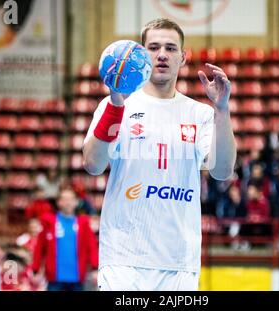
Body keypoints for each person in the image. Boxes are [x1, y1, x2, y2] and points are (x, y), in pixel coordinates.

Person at [82, 18, 236, 291]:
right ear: (142, 54)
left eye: (170, 48)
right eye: (153, 47)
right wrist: (117, 105)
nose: (162, 54)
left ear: (183, 57)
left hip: (178, 262)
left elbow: (222, 171)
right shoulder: (115, 105)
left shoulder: (200, 114)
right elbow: (93, 164)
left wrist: (222, 109)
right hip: (123, 259)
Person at [32, 187, 98, 291]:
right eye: (64, 199)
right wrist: (35, 270)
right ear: (59, 202)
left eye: (71, 199)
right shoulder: (48, 222)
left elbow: (92, 247)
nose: (68, 203)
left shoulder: (83, 223)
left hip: (77, 279)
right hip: (54, 279)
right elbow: (40, 247)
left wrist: (95, 268)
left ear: (76, 202)